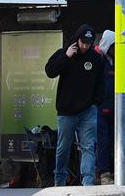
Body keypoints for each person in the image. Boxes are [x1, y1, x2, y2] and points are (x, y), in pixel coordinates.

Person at [45, 24, 105, 186]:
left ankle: (88, 181)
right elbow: (50, 71)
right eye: (82, 42)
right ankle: (59, 179)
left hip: (88, 111)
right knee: (63, 148)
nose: (85, 46)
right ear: (77, 39)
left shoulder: (96, 59)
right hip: (66, 111)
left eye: (88, 43)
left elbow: (102, 82)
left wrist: (95, 103)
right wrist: (66, 56)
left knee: (88, 146)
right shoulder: (64, 53)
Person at [94, 30, 115, 185]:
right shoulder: (98, 61)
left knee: (114, 140)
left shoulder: (117, 62)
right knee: (104, 141)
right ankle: (103, 172)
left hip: (114, 108)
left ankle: (114, 170)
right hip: (100, 108)